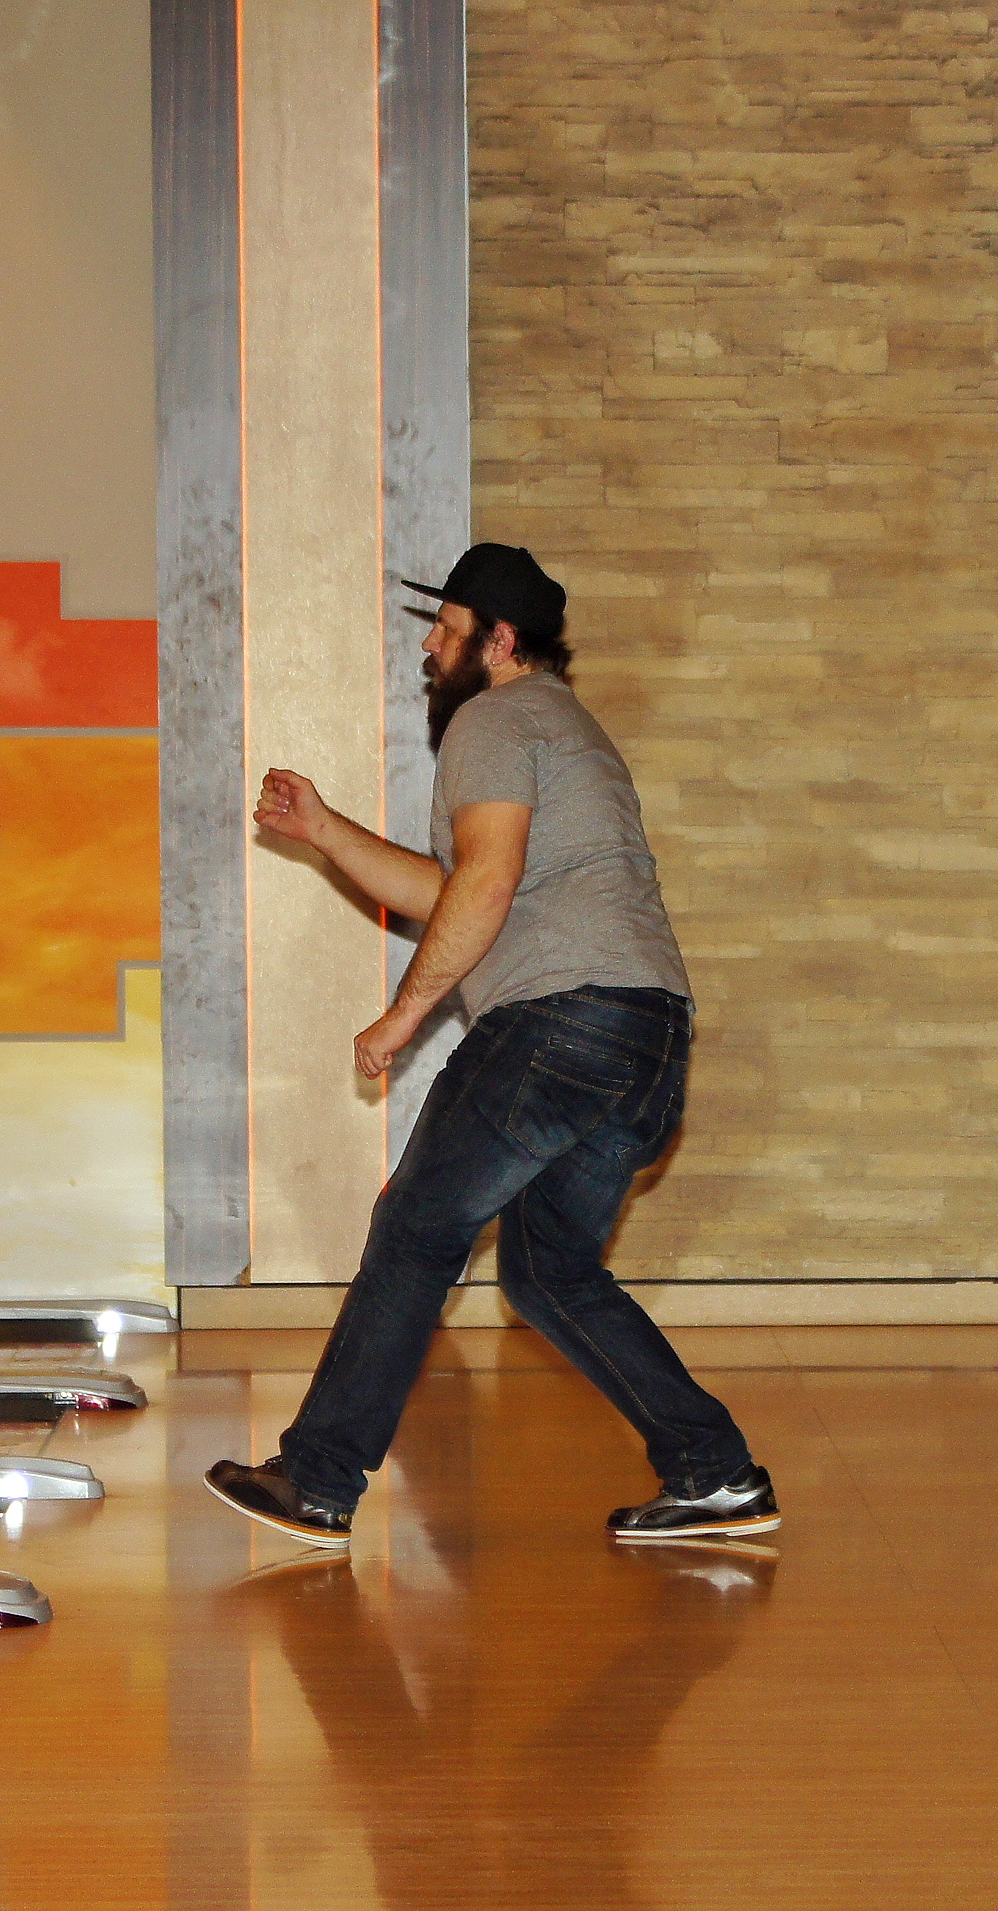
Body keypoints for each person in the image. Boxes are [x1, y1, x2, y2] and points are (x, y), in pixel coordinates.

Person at [204, 542, 776, 1548]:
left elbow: (487, 882)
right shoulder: (563, 726)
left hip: (561, 1023)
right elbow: (456, 889)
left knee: (418, 1226)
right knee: (549, 1273)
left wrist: (402, 1016)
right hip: (645, 1036)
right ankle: (714, 1472)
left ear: (498, 640)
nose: (430, 646)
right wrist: (328, 832)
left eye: (447, 627)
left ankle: (319, 1479)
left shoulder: (495, 719)